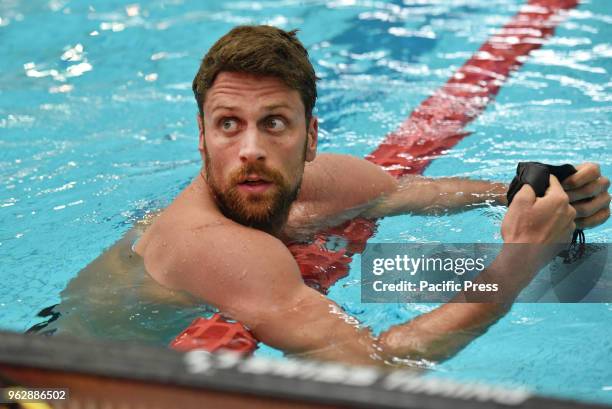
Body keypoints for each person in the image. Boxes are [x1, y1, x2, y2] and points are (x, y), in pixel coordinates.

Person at [35, 25, 610, 365]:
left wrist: (525, 196)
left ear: (310, 137)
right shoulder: (218, 247)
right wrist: (516, 263)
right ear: (202, 137)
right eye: (229, 124)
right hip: (48, 384)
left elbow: (417, 193)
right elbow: (380, 367)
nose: (251, 150)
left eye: (275, 123)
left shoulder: (327, 183)